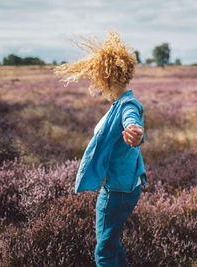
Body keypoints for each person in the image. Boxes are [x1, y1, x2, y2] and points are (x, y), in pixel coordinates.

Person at [54, 31, 147, 267]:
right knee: (112, 242)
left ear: (104, 77)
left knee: (104, 252)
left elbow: (131, 121)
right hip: (127, 186)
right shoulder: (123, 102)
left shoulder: (127, 105)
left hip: (117, 190)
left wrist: (135, 133)